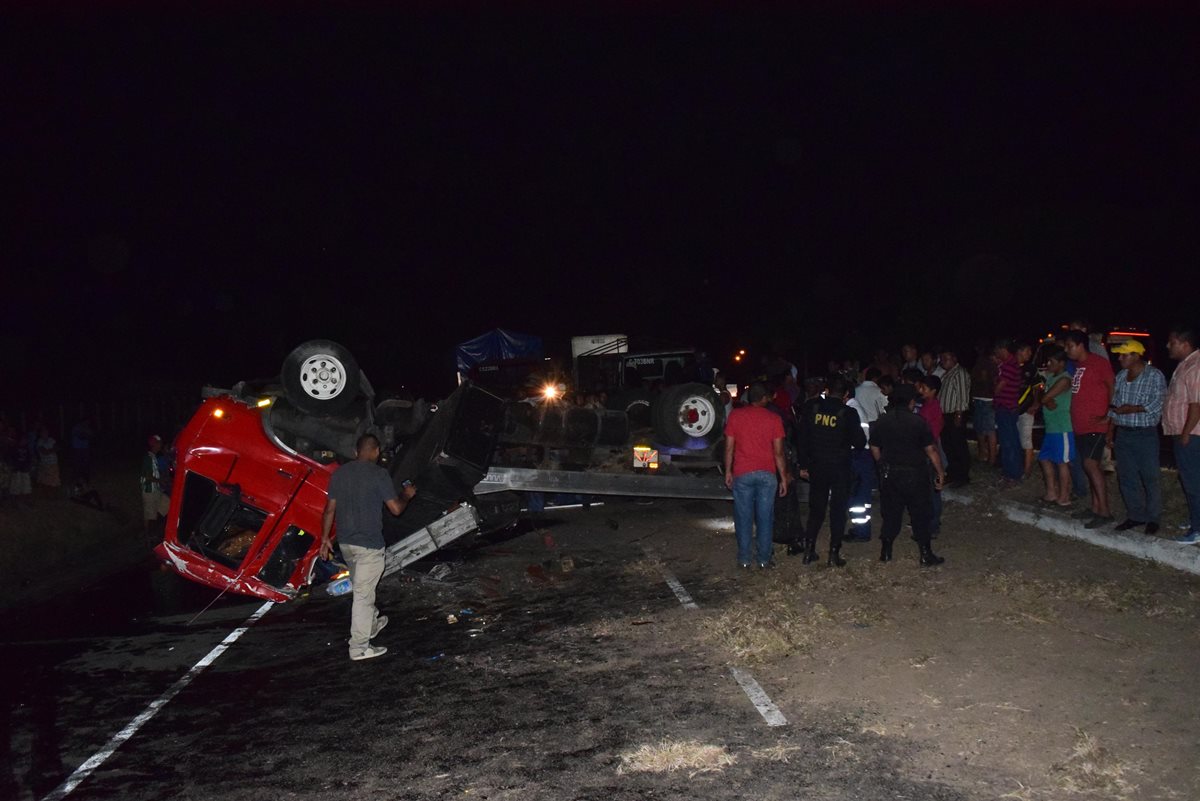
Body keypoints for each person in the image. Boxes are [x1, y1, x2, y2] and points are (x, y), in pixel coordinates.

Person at [319, 433, 417, 661]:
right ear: (376, 452)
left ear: (356, 452)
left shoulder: (340, 474)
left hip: (347, 545)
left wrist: (325, 539)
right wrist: (407, 494)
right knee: (363, 596)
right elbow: (396, 509)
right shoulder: (379, 474)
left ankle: (371, 624)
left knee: (363, 588)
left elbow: (329, 510)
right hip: (369, 546)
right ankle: (359, 647)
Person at [870, 384, 945, 566]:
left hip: (891, 474)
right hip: (915, 473)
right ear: (911, 402)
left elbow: (874, 446)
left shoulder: (882, 421)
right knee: (920, 513)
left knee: (891, 513)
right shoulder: (918, 422)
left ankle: (886, 552)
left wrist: (881, 464)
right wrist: (940, 472)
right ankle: (925, 554)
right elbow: (931, 450)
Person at [794, 376, 865, 566]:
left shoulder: (812, 408)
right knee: (837, 511)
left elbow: (802, 439)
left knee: (816, 509)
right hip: (840, 468)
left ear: (826, 389)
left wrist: (803, 465)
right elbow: (860, 443)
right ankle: (834, 554)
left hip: (817, 467)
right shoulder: (848, 413)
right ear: (846, 394)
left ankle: (809, 551)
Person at [723, 383, 788, 569]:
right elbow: (779, 452)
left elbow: (729, 447)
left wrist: (728, 470)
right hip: (767, 473)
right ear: (764, 398)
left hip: (743, 472)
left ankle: (744, 559)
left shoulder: (735, 416)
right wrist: (783, 477)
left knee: (743, 517)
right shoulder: (774, 419)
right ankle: (763, 559)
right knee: (765, 518)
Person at [1106, 339, 1166, 535]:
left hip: (1145, 434)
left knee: (1151, 477)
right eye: (1120, 354)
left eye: (1124, 354)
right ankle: (1135, 515)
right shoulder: (1122, 376)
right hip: (1124, 434)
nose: (1120, 358)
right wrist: (1110, 431)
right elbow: (1115, 406)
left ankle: (1153, 517)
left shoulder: (1154, 375)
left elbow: (1158, 403)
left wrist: (1134, 409)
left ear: (1136, 355)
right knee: (1127, 477)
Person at [1063, 330, 1116, 528]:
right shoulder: (1079, 366)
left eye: (1070, 346)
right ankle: (1095, 507)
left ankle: (1105, 511)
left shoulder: (1099, 363)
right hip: (1081, 425)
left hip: (1096, 425)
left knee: (1091, 465)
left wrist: (1109, 416)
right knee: (1087, 466)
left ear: (1080, 345)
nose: (1067, 350)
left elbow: (1112, 387)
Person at [1163, 325, 1200, 543]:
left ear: (1185, 344)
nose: (1168, 345)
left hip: (1192, 435)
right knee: (1191, 480)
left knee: (1194, 481)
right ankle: (1196, 518)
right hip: (1187, 433)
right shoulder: (1185, 365)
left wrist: (1185, 433)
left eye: (1172, 342)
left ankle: (1197, 529)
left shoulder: (1195, 366)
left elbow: (1196, 405)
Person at [1036, 347, 1076, 508]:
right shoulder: (1051, 377)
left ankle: (1064, 497)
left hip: (1062, 427)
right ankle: (1052, 492)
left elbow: (1044, 396)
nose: (1048, 364)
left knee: (1062, 462)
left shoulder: (1065, 379)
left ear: (1061, 363)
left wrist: (1046, 398)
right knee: (1044, 458)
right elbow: (1041, 395)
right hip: (1051, 427)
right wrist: (1045, 399)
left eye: (1051, 361)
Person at [915, 374, 944, 535]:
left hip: (928, 450)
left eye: (924, 388)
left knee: (932, 491)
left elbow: (930, 435)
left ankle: (932, 526)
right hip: (927, 448)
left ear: (933, 391)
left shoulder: (930, 408)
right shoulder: (929, 405)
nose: (921, 390)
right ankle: (929, 523)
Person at [938, 349, 971, 487]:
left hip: (955, 414)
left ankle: (962, 476)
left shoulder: (960, 373)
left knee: (958, 445)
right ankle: (953, 473)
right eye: (942, 358)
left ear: (954, 359)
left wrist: (959, 415)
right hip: (945, 415)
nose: (943, 361)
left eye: (946, 358)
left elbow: (963, 397)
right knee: (948, 445)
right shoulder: (947, 374)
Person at [993, 340, 1024, 485]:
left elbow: (998, 388)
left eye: (997, 351)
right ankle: (1010, 472)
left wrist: (992, 387)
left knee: (1009, 443)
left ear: (1002, 349)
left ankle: (1012, 474)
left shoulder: (1008, 366)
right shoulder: (1010, 364)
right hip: (1008, 407)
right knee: (1010, 442)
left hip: (1006, 408)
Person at [970, 347, 997, 466]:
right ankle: (985, 455)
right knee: (982, 429)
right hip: (982, 398)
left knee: (987, 430)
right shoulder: (986, 363)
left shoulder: (985, 364)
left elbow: (984, 379)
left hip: (986, 399)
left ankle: (990, 458)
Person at [141, 434, 169, 536]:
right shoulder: (148, 458)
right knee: (149, 515)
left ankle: (153, 531)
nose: (160, 445)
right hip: (149, 491)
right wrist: (160, 480)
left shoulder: (153, 457)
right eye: (158, 443)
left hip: (156, 489)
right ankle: (147, 536)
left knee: (167, 505)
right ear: (154, 444)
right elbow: (147, 476)